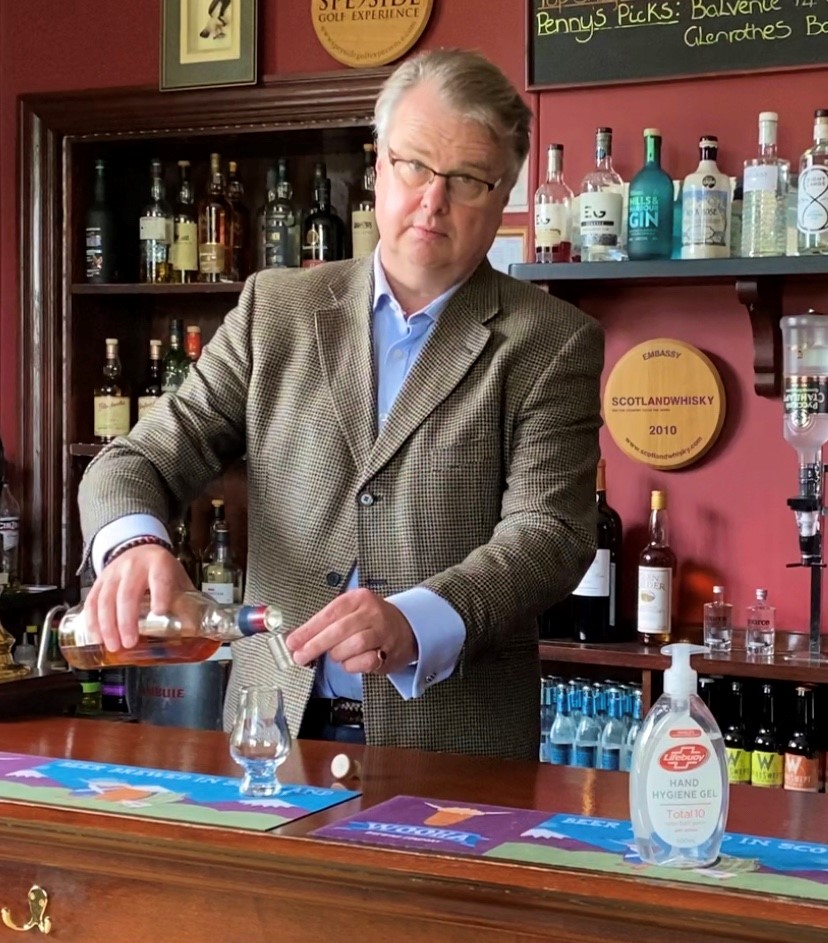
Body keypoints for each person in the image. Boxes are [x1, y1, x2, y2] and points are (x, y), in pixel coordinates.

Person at [78, 48, 603, 760]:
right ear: (378, 166)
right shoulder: (276, 309)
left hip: (453, 742)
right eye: (414, 165)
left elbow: (549, 532)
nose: (433, 200)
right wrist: (134, 545)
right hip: (270, 728)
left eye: (467, 179)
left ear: (504, 191)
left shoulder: (552, 340)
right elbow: (136, 458)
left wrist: (419, 620)